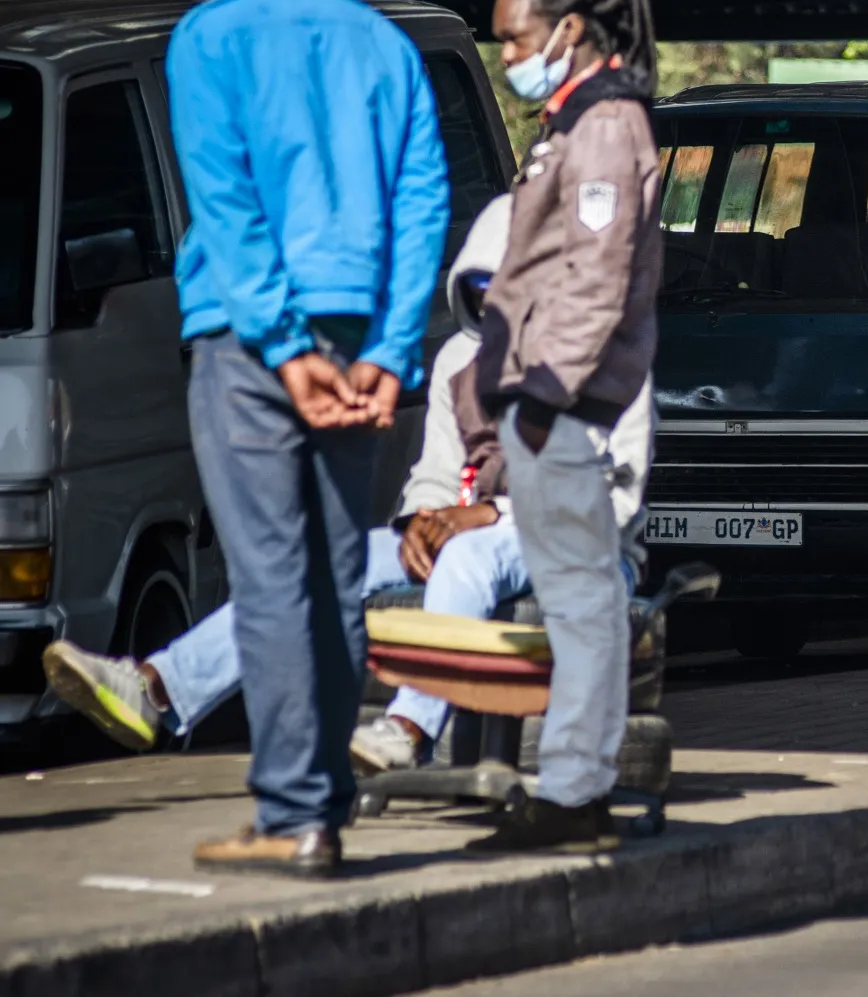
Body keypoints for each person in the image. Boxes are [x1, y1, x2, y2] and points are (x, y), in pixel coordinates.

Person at [42, 199, 655, 770]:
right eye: (482, 292)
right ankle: (161, 688)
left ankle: (410, 729)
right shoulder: (458, 365)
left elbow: (616, 499)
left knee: (467, 555)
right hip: (475, 536)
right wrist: (418, 522)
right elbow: (435, 475)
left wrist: (491, 515)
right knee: (330, 558)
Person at [162, 0, 450, 876]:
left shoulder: (207, 38)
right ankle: (323, 802)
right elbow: (424, 201)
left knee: (272, 575)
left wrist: (283, 351)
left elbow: (228, 206)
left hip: (252, 343)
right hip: (358, 334)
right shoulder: (384, 42)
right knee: (330, 573)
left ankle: (292, 814)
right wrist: (387, 351)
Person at [474, 0, 662, 853]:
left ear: (572, 28)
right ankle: (572, 786)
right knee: (574, 597)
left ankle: (576, 790)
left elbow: (597, 273)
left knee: (582, 602)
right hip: (546, 401)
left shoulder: (603, 126)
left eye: (515, 38)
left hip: (563, 403)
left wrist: (546, 393)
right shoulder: (575, 120)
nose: (506, 55)